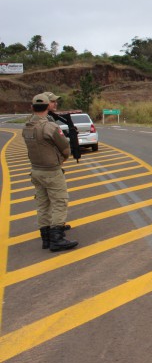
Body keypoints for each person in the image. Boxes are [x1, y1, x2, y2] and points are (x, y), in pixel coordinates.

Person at [22, 94, 79, 252]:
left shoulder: (26, 127)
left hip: (36, 170)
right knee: (60, 202)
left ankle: (46, 238)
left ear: (32, 108)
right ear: (48, 107)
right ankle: (57, 239)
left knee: (43, 204)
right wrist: (63, 157)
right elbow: (65, 147)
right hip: (52, 171)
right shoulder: (50, 127)